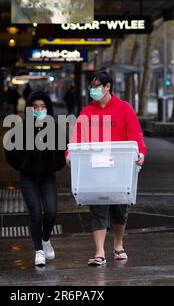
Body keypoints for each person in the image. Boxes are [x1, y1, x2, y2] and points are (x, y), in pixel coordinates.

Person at [67, 70, 146, 266]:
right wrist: (70, 155)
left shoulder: (124, 108)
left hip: (120, 169)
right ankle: (99, 252)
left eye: (95, 86)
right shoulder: (87, 112)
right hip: (95, 169)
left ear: (107, 86)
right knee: (98, 209)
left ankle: (118, 244)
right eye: (91, 86)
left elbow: (136, 134)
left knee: (120, 210)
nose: (92, 90)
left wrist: (141, 152)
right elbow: (77, 137)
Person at [4, 91, 66, 267]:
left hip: (48, 178)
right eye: (36, 107)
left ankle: (45, 239)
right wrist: (22, 165)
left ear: (48, 108)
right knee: (35, 213)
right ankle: (39, 250)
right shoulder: (21, 128)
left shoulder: (54, 128)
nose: (39, 110)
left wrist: (55, 165)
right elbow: (9, 150)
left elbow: (63, 151)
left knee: (51, 210)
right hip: (28, 178)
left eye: (43, 107)